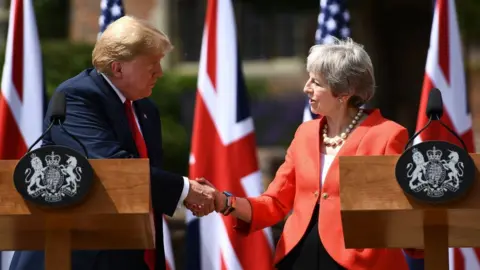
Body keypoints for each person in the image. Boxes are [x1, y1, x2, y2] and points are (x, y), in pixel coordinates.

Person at [187, 38, 424, 270]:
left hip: (358, 262)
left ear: (344, 92)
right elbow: (275, 203)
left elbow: (395, 212)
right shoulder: (306, 133)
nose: (306, 88)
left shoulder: (387, 135)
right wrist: (225, 201)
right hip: (298, 257)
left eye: (316, 82)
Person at [9, 16, 215, 270]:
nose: (159, 73)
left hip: (131, 253)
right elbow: (112, 165)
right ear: (118, 68)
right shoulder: (77, 97)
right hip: (75, 257)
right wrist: (185, 190)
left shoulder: (145, 108)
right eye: (152, 63)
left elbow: (146, 183)